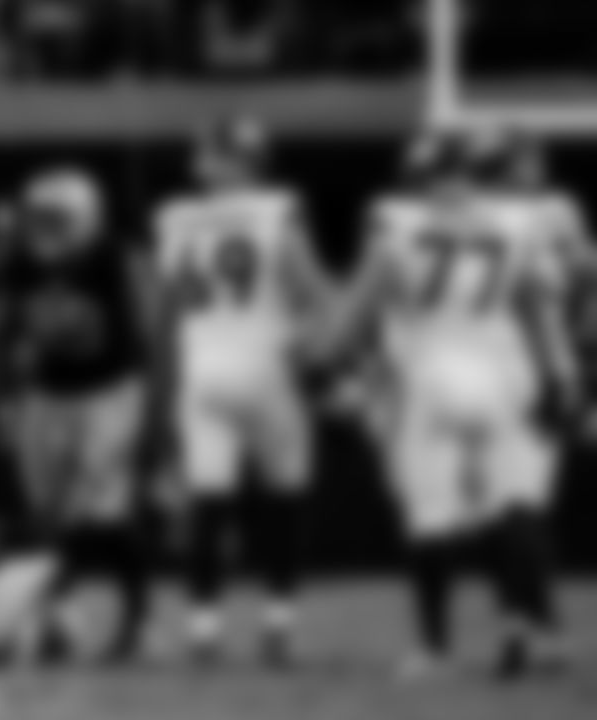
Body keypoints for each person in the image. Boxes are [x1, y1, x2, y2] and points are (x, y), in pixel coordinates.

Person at [334, 127, 577, 680]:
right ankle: (523, 622)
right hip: (500, 376)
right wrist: (559, 380)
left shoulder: (395, 226)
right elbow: (539, 306)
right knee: (514, 504)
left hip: (431, 377)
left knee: (431, 514)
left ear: (418, 175)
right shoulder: (519, 224)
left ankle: (434, 648)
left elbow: (348, 322)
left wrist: (321, 358)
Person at [151, 117, 334, 667]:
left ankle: (202, 629)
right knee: (285, 496)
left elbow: (163, 316)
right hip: (263, 365)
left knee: (209, 503)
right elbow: (317, 297)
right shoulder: (277, 213)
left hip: (200, 370)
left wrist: (162, 393)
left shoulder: (175, 219)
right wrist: (320, 352)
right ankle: (278, 624)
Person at [0, 167, 155, 663]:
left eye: (55, 219)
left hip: (108, 392)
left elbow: (136, 336)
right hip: (48, 395)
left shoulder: (111, 259)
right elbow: (8, 325)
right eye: (37, 218)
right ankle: (57, 622)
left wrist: (152, 412)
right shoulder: (21, 258)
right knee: (48, 515)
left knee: (101, 516)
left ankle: (134, 621)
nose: (43, 229)